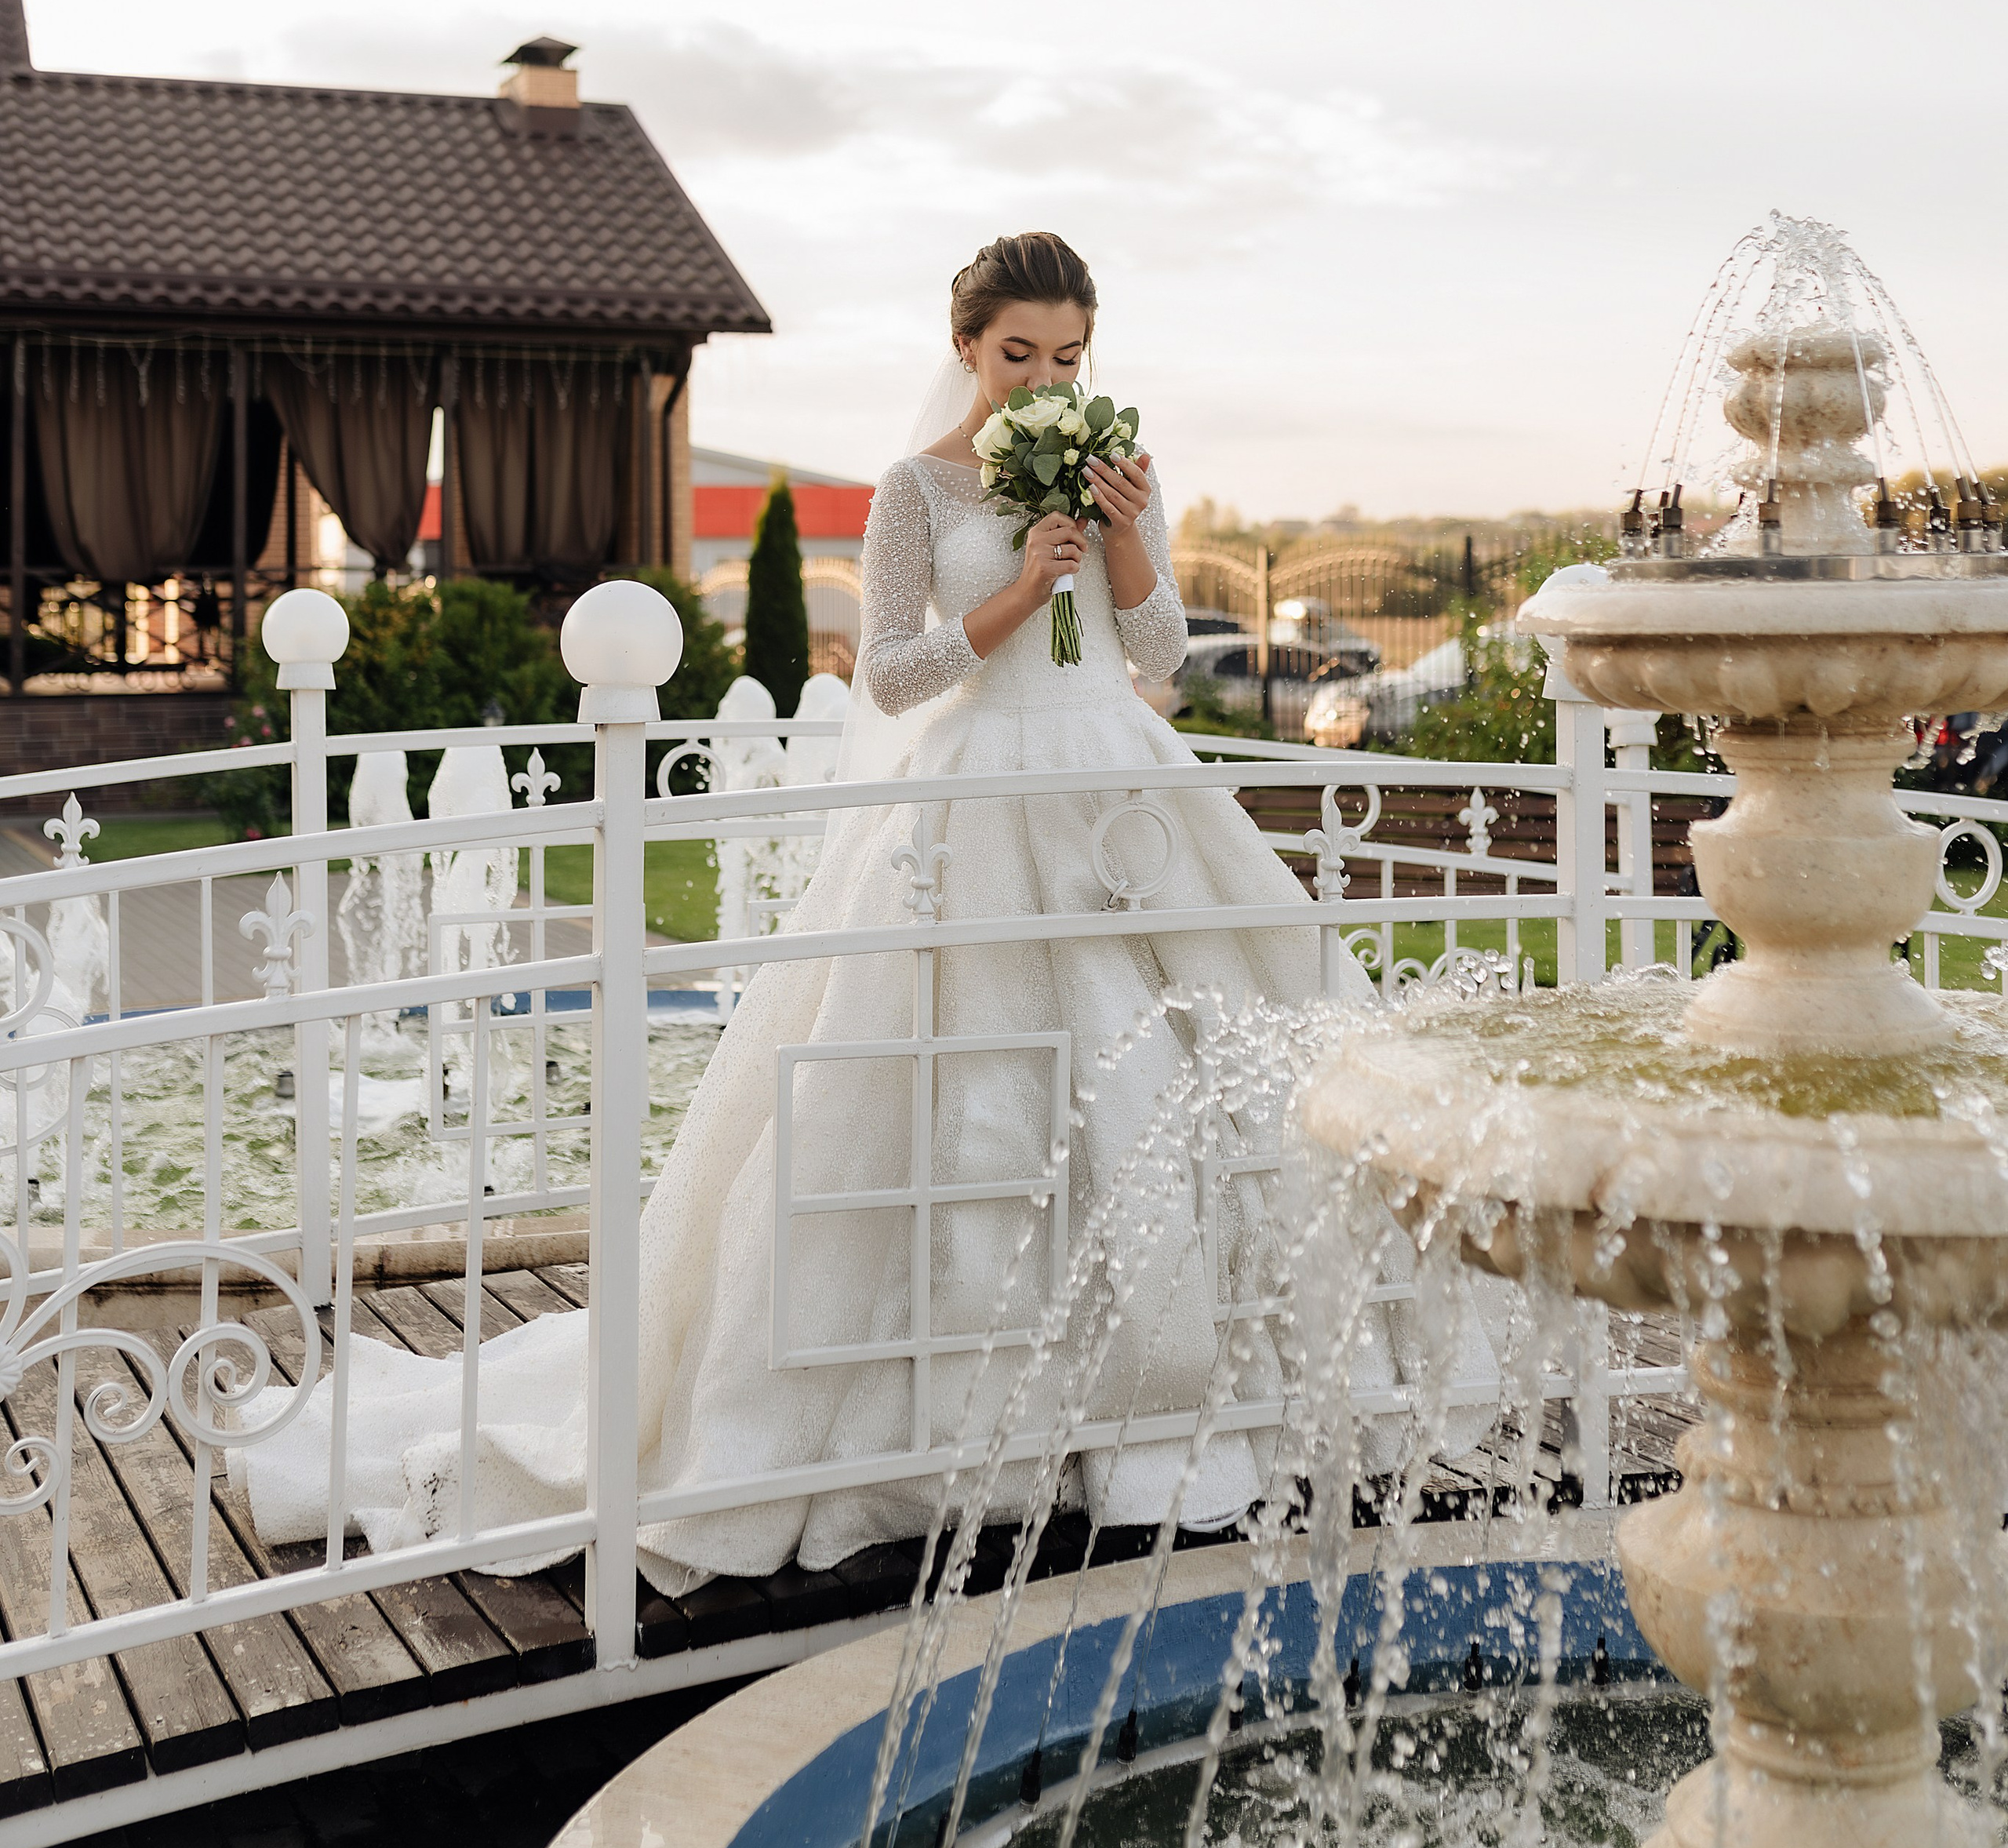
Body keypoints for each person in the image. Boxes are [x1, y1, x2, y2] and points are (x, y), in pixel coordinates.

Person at [233, 234, 1380, 1584]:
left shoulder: (1125, 472)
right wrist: (1018, 589)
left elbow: (1156, 652)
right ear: (967, 346)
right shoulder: (914, 488)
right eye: (1020, 351)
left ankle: (1162, 1414)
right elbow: (892, 676)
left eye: (1069, 355)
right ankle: (962, 1426)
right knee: (970, 1089)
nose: (1046, 376)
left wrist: (1123, 538)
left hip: (1122, 799)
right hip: (975, 805)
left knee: (1167, 1077)